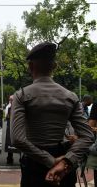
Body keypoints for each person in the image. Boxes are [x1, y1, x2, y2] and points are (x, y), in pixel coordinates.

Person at [10, 42, 94, 187]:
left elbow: (17, 139)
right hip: (64, 164)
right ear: (54, 66)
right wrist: (66, 161)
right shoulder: (70, 96)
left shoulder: (21, 96)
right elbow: (87, 136)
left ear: (30, 67)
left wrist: (50, 160)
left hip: (33, 162)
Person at [4, 95, 16, 165]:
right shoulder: (8, 107)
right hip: (10, 127)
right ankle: (9, 158)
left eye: (12, 100)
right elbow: (6, 117)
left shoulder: (18, 106)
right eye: (10, 100)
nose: (11, 101)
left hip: (17, 127)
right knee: (9, 143)